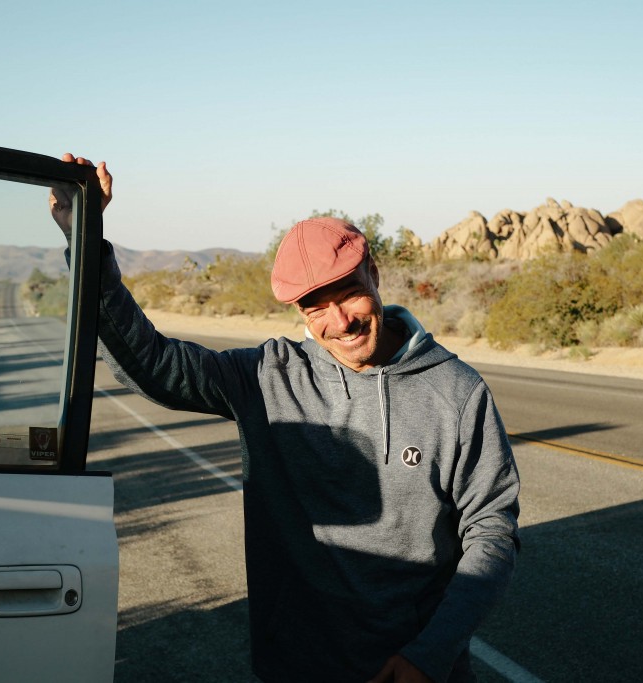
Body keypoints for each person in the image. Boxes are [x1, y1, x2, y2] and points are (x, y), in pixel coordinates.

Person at [51, 156, 521, 683]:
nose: (338, 321)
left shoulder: (455, 391)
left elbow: (491, 531)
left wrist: (429, 654)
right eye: (315, 306)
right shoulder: (267, 377)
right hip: (296, 667)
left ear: (376, 274)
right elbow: (153, 365)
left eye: (348, 294)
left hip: (417, 670)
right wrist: (86, 236)